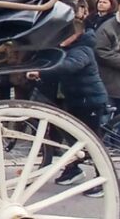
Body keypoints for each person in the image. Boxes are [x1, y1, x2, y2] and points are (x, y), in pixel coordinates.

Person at [26, 15, 108, 195]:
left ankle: (103, 179)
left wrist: (41, 72)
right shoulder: (66, 48)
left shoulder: (83, 49)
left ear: (77, 35)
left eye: (65, 35)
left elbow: (69, 66)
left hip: (89, 100)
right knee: (74, 139)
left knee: (93, 141)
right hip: (75, 99)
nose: (60, 39)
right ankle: (73, 170)